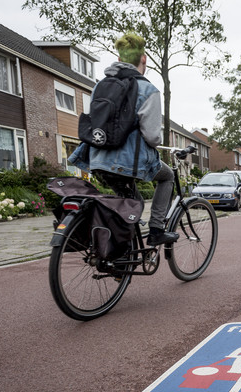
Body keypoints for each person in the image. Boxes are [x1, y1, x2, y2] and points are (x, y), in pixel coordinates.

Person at [69, 32, 177, 247]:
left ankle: (122, 252)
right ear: (143, 58)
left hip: (97, 159)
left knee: (131, 203)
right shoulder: (148, 90)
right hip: (127, 162)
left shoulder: (100, 86)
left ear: (119, 60)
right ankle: (156, 230)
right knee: (168, 177)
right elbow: (153, 137)